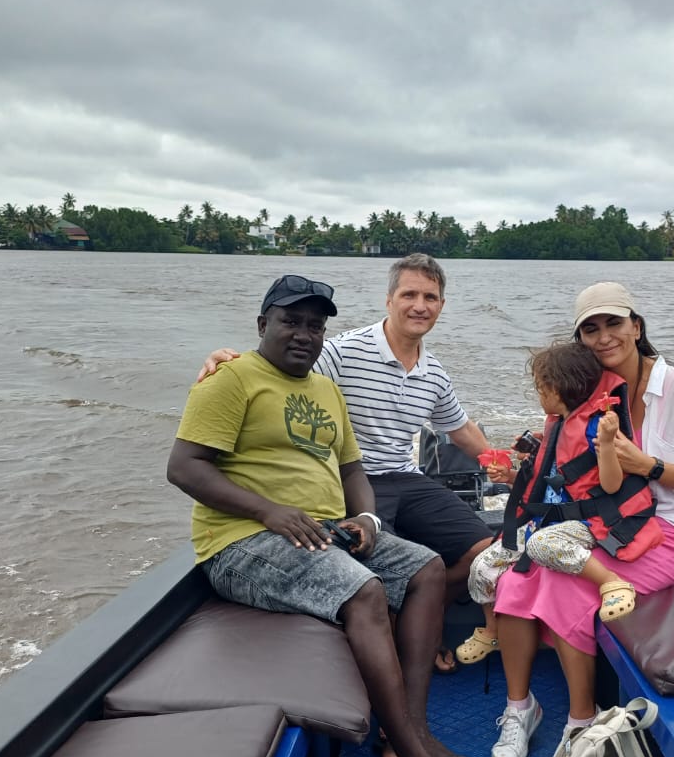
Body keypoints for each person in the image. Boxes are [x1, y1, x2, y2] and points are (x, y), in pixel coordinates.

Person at [168, 273, 502, 757]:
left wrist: (367, 519)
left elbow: (351, 469)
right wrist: (269, 511)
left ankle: (409, 737)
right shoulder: (231, 381)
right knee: (365, 591)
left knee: (423, 568)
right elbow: (185, 467)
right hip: (243, 543)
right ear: (262, 325)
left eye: (314, 325)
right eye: (290, 321)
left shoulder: (324, 390)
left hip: (323, 530)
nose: (303, 334)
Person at [199, 254, 495, 674]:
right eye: (409, 294)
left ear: (441, 306)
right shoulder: (342, 351)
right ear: (389, 299)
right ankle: (411, 635)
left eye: (430, 297)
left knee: (486, 551)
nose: (419, 305)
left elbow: (461, 429)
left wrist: (506, 464)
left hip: (405, 477)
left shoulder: (434, 373)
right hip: (351, 482)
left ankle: (423, 615)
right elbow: (279, 365)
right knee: (374, 569)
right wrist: (226, 359)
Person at [489, 282, 674, 757]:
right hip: (596, 524)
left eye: (613, 323)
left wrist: (649, 466)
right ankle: (519, 708)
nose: (604, 337)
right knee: (514, 576)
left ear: (636, 326)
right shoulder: (588, 389)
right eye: (590, 329)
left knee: (566, 587)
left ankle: (581, 722)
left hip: (665, 533)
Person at [467, 340, 665, 657]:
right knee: (481, 568)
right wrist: (512, 477)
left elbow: (612, 486)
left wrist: (607, 445)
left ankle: (612, 582)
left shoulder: (596, 428)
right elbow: (548, 482)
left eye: (541, 388)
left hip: (587, 522)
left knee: (542, 545)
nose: (539, 394)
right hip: (548, 518)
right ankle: (492, 630)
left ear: (559, 390)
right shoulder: (557, 427)